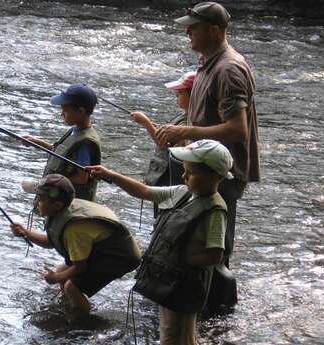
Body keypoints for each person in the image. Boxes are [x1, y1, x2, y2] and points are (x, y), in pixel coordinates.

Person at [87, 139, 232, 345]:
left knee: (179, 335)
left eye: (191, 172)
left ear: (214, 176)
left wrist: (184, 259)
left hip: (185, 287)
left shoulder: (215, 210)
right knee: (170, 330)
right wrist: (111, 175)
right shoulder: (182, 192)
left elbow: (215, 254)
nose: (184, 176)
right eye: (184, 170)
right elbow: (144, 192)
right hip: (167, 281)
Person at [156, 2, 260, 271]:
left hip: (221, 172)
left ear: (214, 30)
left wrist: (185, 131)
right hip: (202, 166)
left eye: (193, 28)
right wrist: (184, 138)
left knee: (214, 250)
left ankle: (216, 306)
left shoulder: (228, 69)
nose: (187, 33)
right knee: (197, 240)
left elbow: (238, 129)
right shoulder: (208, 63)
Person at [10, 174, 141, 316]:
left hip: (120, 257)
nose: (36, 203)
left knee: (71, 287)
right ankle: (68, 307)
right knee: (62, 271)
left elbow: (80, 267)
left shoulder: (74, 230)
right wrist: (25, 232)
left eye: (41, 199)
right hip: (105, 247)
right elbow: (51, 242)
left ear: (57, 205)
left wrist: (54, 278)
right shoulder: (63, 209)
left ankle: (83, 321)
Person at [130, 71, 196, 216]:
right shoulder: (183, 116)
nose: (176, 96)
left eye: (179, 93)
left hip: (171, 179)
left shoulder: (188, 122)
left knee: (164, 213)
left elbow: (164, 143)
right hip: (164, 176)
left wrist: (146, 123)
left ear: (194, 97)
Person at [24, 84, 101, 201]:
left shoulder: (85, 143)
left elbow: (82, 178)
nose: (61, 114)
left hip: (69, 204)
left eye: (65, 110)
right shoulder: (75, 131)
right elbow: (60, 152)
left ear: (80, 111)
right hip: (57, 200)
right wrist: (36, 142)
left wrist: (47, 183)